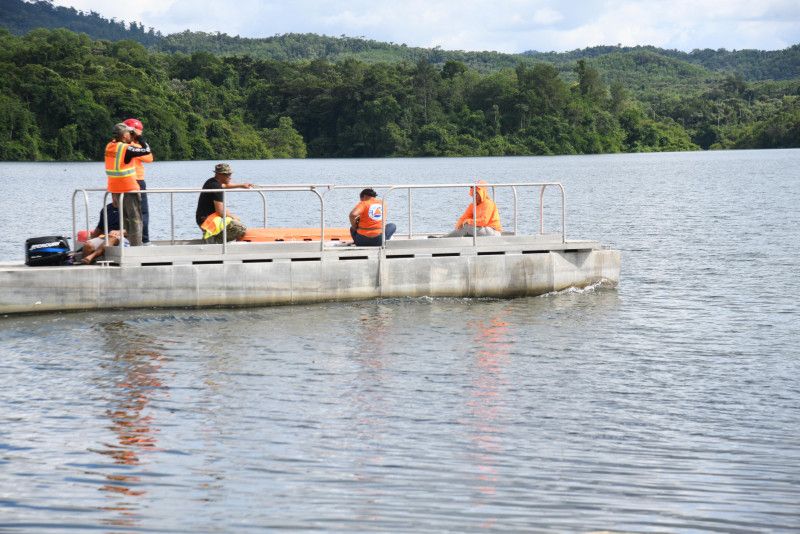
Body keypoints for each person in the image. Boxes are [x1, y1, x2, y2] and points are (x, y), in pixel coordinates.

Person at [104, 122, 152, 246]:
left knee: (124, 220)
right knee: (135, 219)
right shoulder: (125, 148)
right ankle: (136, 247)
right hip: (128, 188)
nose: (130, 135)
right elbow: (147, 151)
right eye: (129, 133)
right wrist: (139, 137)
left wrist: (131, 139)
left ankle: (128, 245)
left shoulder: (109, 146)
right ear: (124, 135)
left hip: (114, 188)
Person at [195, 163, 253, 243]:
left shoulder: (212, 181)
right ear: (219, 174)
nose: (230, 176)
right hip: (207, 220)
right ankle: (213, 241)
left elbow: (225, 185)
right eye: (227, 174)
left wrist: (241, 185)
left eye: (230, 174)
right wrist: (233, 217)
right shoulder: (216, 188)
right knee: (240, 228)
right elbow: (220, 212)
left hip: (203, 218)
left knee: (232, 221)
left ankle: (213, 237)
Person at [123, 118, 154, 244]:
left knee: (126, 214)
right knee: (142, 213)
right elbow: (149, 157)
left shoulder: (118, 146)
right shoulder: (134, 147)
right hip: (137, 182)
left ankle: (128, 240)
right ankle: (144, 240)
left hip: (123, 182)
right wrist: (141, 140)